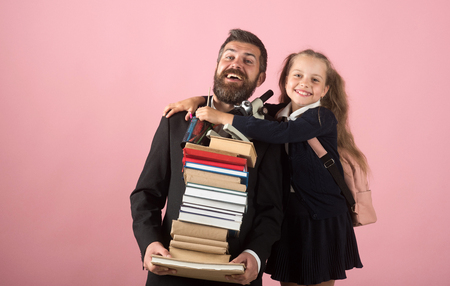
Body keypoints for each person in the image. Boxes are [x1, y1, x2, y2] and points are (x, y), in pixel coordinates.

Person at [165, 49, 366, 286]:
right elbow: (239, 108)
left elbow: (283, 132)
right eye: (298, 76)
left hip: (321, 217)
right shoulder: (276, 113)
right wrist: (199, 100)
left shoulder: (322, 117)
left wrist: (222, 118)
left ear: (325, 90)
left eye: (315, 79)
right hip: (290, 217)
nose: (305, 84)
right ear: (285, 81)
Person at [130, 29, 285, 286]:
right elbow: (146, 194)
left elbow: (272, 210)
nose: (236, 63)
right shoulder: (177, 121)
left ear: (261, 78)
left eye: (248, 60)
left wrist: (255, 255)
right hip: (170, 268)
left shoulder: (269, 132)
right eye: (229, 57)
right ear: (216, 67)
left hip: (234, 272)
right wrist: (149, 243)